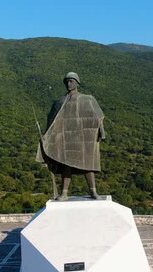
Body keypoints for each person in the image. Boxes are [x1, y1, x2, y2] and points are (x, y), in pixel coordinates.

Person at [36, 72, 106, 200]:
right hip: (67, 140)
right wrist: (46, 137)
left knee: (87, 165)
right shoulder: (60, 101)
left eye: (71, 81)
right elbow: (52, 121)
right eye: (67, 81)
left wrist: (101, 131)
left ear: (77, 83)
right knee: (66, 165)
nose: (69, 84)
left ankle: (93, 192)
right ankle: (64, 193)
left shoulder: (87, 99)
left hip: (83, 138)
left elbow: (98, 116)